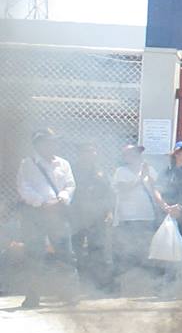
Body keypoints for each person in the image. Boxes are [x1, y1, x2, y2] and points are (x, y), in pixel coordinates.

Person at [15, 128, 77, 308]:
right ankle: (33, 297)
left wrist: (61, 199)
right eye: (48, 141)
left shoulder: (64, 164)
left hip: (58, 212)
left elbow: (70, 185)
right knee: (34, 255)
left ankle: (69, 294)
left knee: (66, 254)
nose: (53, 144)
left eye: (54, 141)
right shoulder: (27, 163)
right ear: (38, 144)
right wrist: (42, 203)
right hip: (36, 214)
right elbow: (23, 187)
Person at [112, 144, 164, 277]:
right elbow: (123, 188)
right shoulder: (121, 171)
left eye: (136, 153)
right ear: (125, 157)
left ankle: (145, 278)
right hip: (127, 217)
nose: (134, 156)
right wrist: (141, 177)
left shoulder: (149, 169)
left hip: (147, 216)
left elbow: (156, 188)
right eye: (129, 154)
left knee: (145, 249)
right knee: (127, 249)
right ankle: (127, 278)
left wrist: (147, 175)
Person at [70, 142, 114, 288]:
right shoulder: (72, 171)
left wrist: (109, 212)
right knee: (76, 249)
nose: (92, 154)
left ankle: (99, 283)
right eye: (88, 151)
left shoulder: (100, 171)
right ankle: (78, 283)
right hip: (77, 216)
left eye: (93, 151)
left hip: (97, 216)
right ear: (80, 154)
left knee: (97, 249)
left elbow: (109, 193)